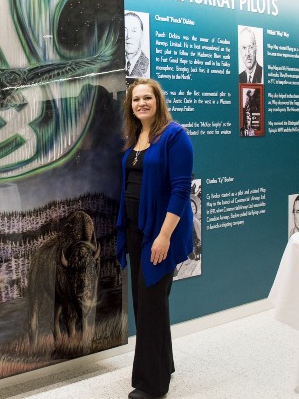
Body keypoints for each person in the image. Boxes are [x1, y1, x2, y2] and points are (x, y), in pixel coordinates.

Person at [115, 78, 194, 399]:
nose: (141, 103)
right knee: (148, 303)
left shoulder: (176, 136)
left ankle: (151, 385)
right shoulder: (135, 137)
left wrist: (163, 236)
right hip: (135, 230)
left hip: (160, 234)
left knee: (150, 304)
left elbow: (180, 190)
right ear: (130, 106)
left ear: (158, 101)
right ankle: (164, 366)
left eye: (147, 98)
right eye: (136, 100)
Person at [125, 12, 150, 80]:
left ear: (142, 35)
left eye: (134, 31)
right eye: (125, 30)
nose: (128, 36)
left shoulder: (148, 65)